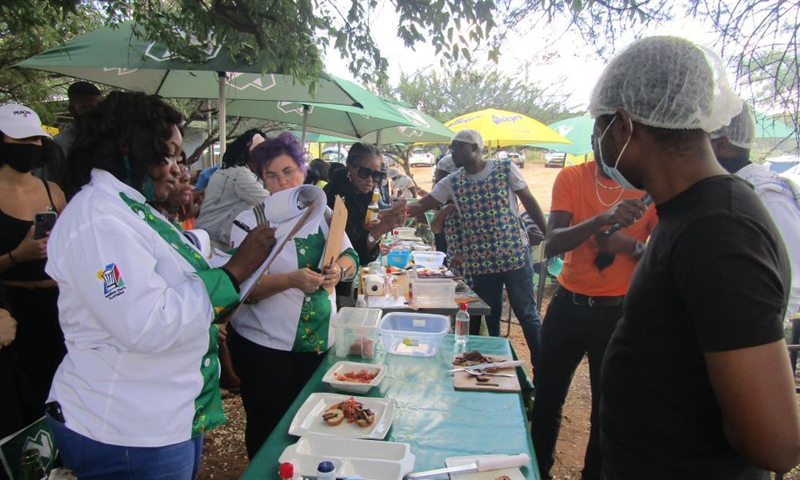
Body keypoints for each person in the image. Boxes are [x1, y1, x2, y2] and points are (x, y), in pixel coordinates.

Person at [592, 36, 800, 479]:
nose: (598, 144)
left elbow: (775, 442)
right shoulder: (686, 214)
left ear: (625, 127)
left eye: (600, 127)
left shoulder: (720, 230)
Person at [46, 91, 276, 480]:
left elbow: (184, 270)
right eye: (167, 155)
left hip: (165, 415)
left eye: (178, 158)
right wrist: (234, 272)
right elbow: (145, 323)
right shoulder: (98, 219)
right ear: (128, 147)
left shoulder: (132, 210)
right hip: (125, 429)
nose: (176, 168)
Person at [227, 133, 359, 459]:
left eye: (288, 171)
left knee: (316, 423)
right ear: (261, 180)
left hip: (318, 344)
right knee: (268, 428)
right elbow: (241, 290)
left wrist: (338, 272)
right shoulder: (250, 221)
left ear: (303, 171)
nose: (282, 182)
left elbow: (351, 259)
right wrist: (290, 280)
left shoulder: (324, 215)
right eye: (271, 175)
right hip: (266, 349)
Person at [531, 158, 657, 480]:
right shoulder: (572, 177)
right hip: (567, 306)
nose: (601, 141)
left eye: (608, 129)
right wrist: (601, 219)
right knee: (546, 400)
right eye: (597, 131)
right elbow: (553, 242)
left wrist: (629, 245)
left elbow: (662, 258)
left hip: (617, 314)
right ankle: (537, 472)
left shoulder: (650, 187)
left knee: (606, 410)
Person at [407, 129, 547, 372]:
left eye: (457, 146)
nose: (452, 152)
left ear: (475, 148)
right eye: (451, 147)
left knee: (527, 314)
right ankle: (492, 366)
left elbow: (530, 200)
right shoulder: (452, 181)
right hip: (481, 264)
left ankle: (543, 371)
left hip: (514, 256)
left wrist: (548, 233)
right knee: (488, 316)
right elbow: (421, 204)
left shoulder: (505, 169)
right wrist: (397, 210)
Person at [0, 103, 67, 420]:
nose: (30, 148)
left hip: (56, 307)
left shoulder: (53, 191)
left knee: (57, 392)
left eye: (35, 140)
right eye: (21, 141)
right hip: (11, 311)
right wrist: (16, 256)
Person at [710, 101, 800, 325]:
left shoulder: (767, 194)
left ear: (720, 145)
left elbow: (793, 280)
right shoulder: (723, 190)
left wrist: (762, 336)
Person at [323, 142, 406, 267]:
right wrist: (378, 231)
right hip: (332, 272)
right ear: (349, 167)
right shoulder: (335, 197)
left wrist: (371, 225)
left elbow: (360, 235)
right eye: (364, 172)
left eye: (376, 175)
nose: (370, 180)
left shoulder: (363, 193)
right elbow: (349, 251)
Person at [195, 130, 269, 246]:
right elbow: (269, 202)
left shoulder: (227, 169)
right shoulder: (242, 175)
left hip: (205, 235)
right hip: (214, 242)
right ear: (252, 155)